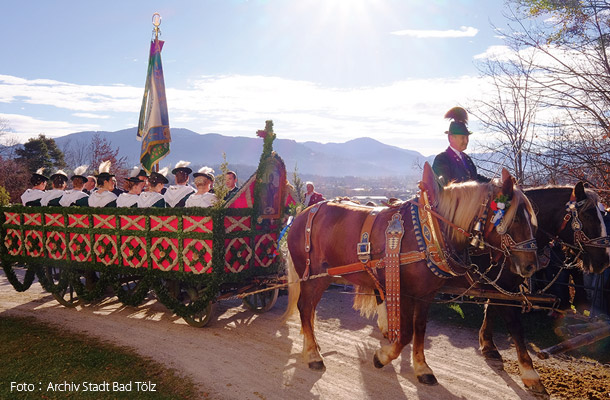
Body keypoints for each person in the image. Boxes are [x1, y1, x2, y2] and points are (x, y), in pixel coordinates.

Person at [432, 106, 490, 186]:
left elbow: (475, 178)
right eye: (463, 137)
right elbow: (444, 188)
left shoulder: (467, 159)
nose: (466, 141)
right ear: (451, 138)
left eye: (467, 137)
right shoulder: (442, 159)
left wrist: (494, 182)